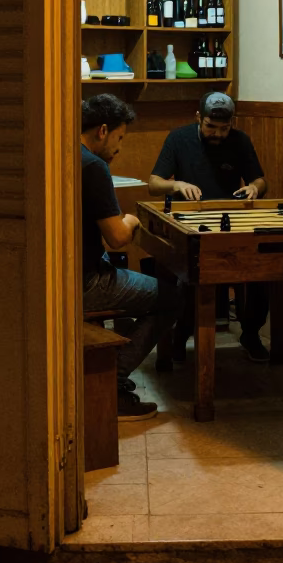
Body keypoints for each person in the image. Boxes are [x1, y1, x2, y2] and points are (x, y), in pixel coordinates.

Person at [148, 91, 271, 361]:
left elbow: (260, 181)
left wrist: (253, 187)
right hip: (188, 221)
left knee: (265, 270)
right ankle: (180, 336)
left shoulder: (240, 140)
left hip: (231, 218)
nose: (217, 134)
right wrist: (176, 184)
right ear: (198, 118)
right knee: (192, 274)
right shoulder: (179, 138)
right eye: (210, 127)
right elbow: (154, 183)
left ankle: (250, 333)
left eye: (224, 128)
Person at [81, 93, 182, 420]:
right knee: (172, 299)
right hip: (86, 283)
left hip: (64, 273)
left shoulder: (62, 153)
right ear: (103, 130)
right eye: (119, 138)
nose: (119, 147)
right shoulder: (93, 166)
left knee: (124, 278)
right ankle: (114, 384)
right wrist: (132, 219)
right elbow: (118, 237)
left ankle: (107, 370)